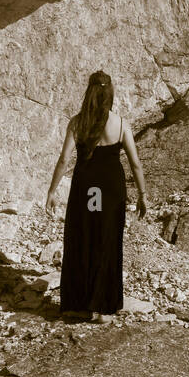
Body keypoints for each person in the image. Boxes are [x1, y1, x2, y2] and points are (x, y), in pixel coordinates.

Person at [46, 71, 147, 322]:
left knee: (82, 239)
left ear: (88, 93)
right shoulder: (121, 123)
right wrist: (143, 194)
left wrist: (51, 191)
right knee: (107, 242)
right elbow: (135, 164)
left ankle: (77, 304)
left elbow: (63, 159)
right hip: (110, 190)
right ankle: (103, 308)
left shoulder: (77, 123)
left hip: (86, 189)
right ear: (110, 92)